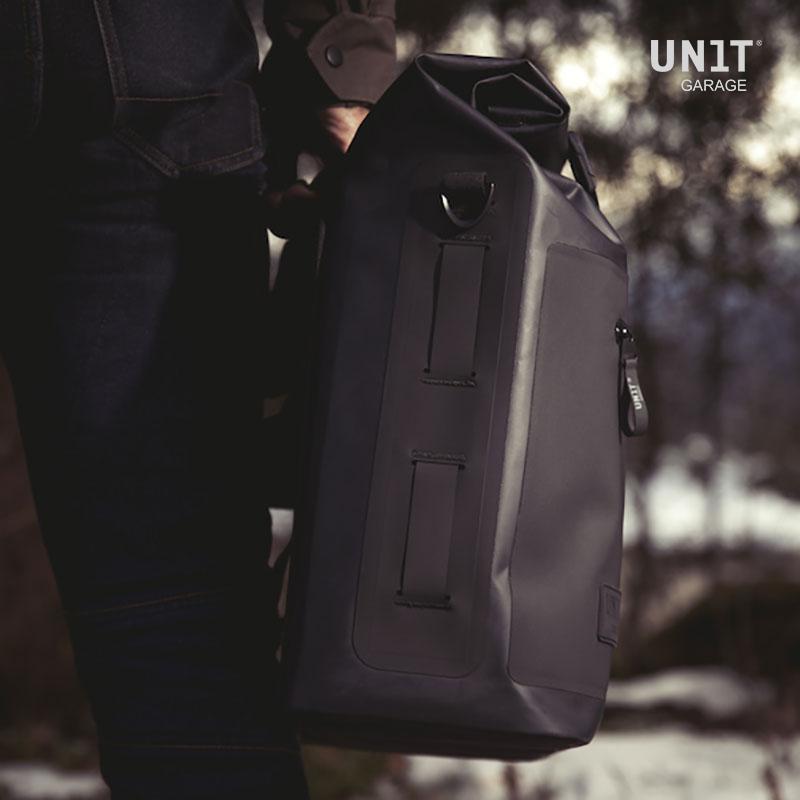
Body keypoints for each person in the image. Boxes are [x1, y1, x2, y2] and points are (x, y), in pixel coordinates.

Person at [0, 1, 396, 797]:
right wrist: (339, 60)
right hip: (143, 70)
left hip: (138, 90)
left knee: (182, 638)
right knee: (179, 636)